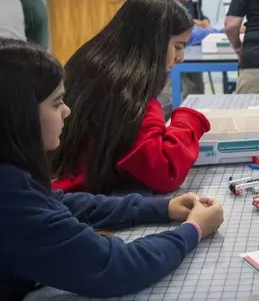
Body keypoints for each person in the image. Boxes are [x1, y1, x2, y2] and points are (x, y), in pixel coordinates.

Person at [0, 38, 225, 300]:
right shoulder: (11, 203)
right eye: (56, 102)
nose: (67, 111)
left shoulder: (12, 178)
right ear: (19, 113)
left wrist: (163, 208)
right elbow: (114, 267)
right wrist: (194, 229)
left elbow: (57, 203)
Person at [50, 0, 211, 194]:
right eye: (178, 46)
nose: (181, 58)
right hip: (86, 199)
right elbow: (164, 171)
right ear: (154, 43)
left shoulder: (88, 61)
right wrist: (187, 122)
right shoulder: (131, 92)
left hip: (62, 186)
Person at [155, 0, 208, 96]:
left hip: (193, 38)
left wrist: (204, 21)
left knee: (195, 88)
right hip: (175, 41)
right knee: (173, 91)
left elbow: (197, 7)